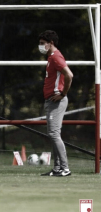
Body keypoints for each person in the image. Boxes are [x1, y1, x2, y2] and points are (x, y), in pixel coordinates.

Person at [38, 30, 73, 177]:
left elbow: (69, 75)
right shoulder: (51, 57)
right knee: (53, 134)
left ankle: (64, 168)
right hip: (51, 101)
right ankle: (58, 168)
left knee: (53, 134)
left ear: (50, 43)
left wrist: (63, 94)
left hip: (56, 101)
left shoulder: (56, 57)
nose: (39, 46)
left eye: (42, 44)